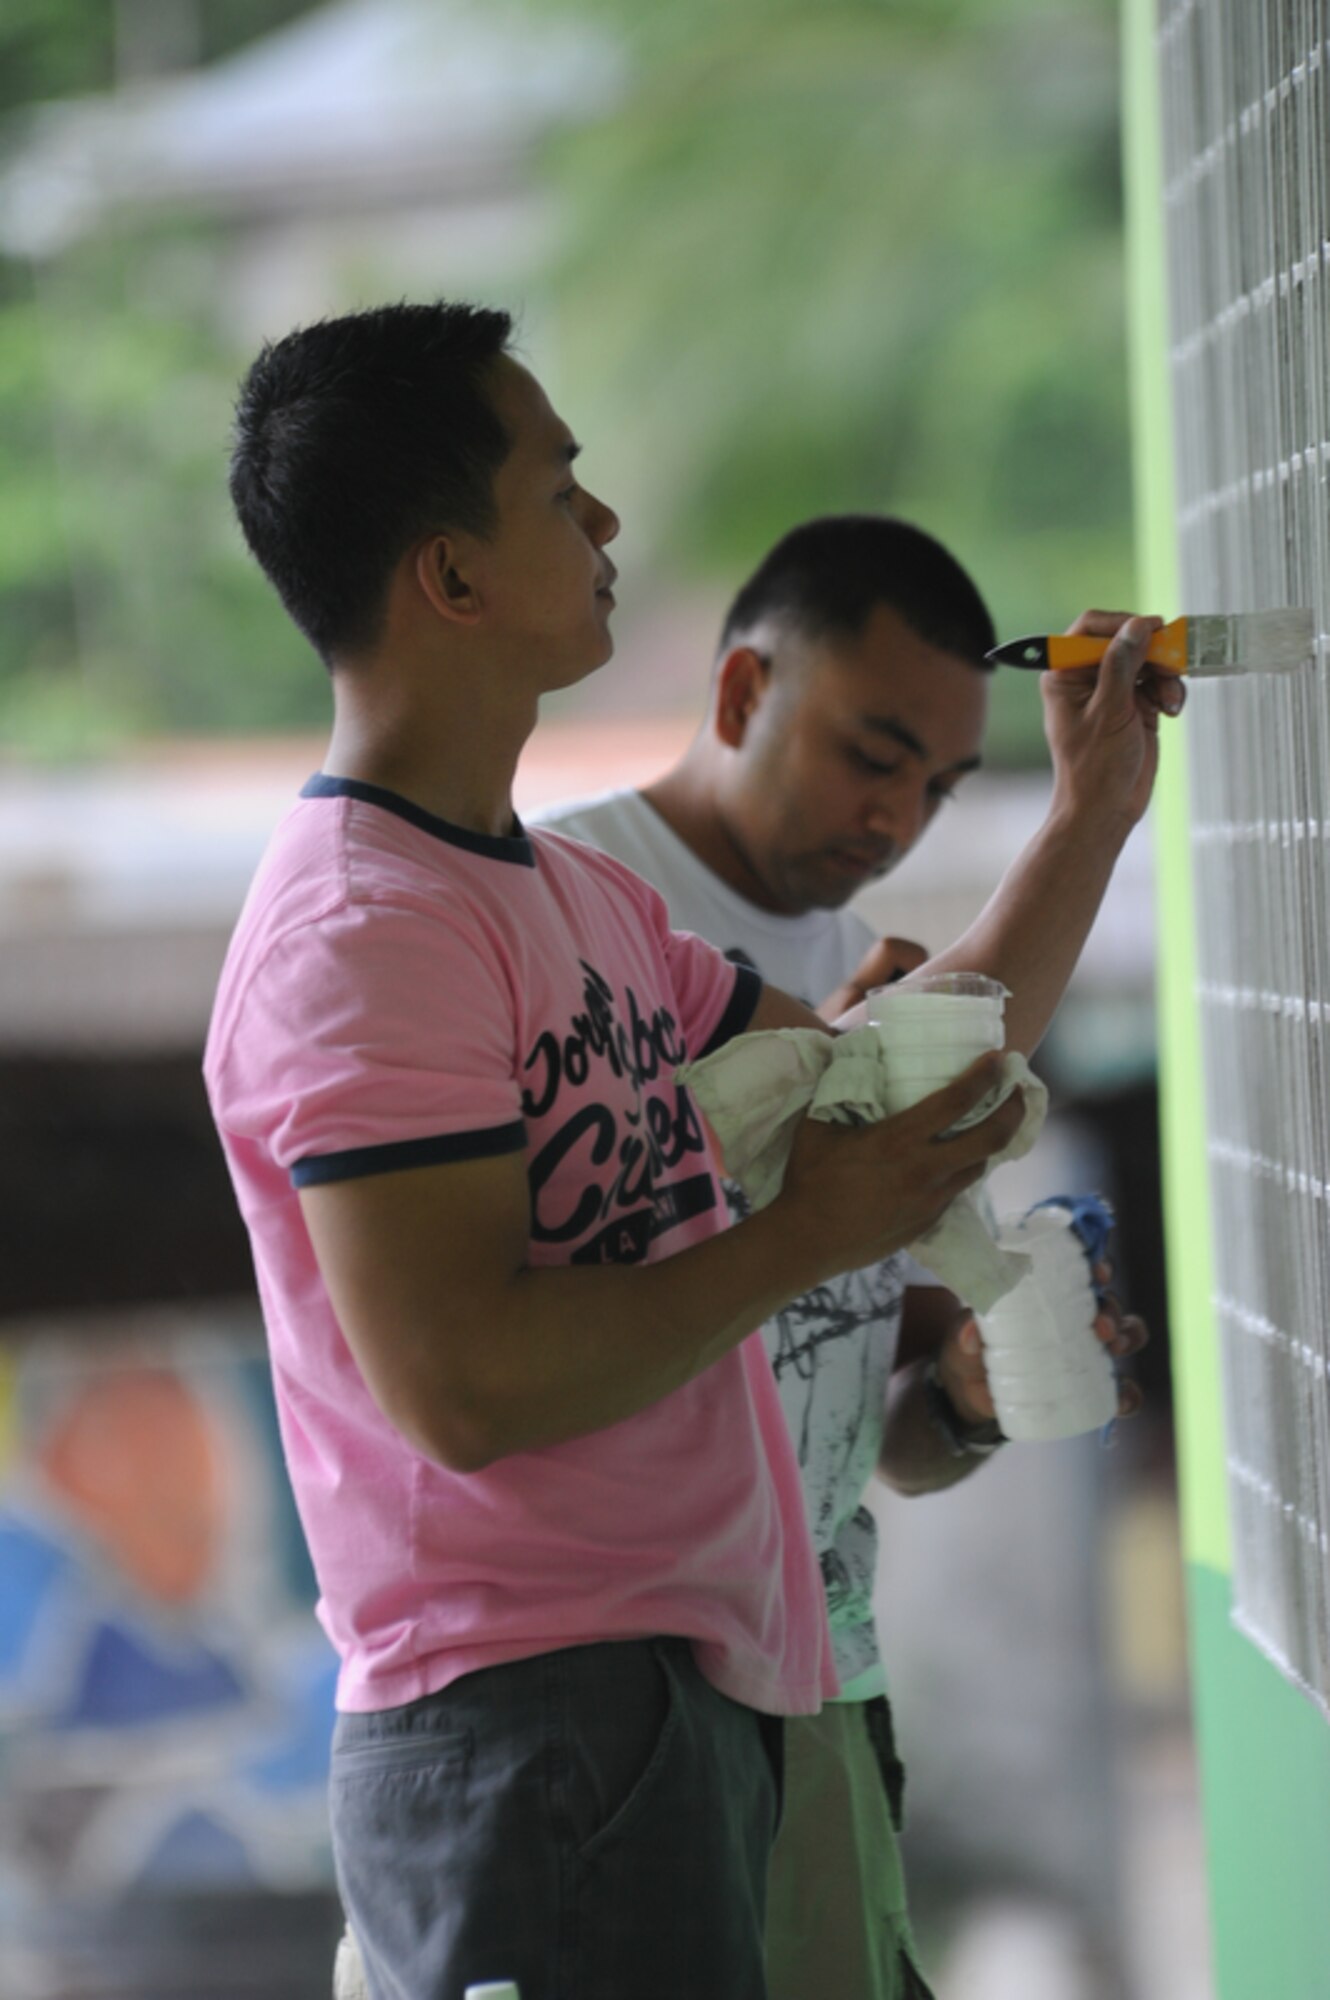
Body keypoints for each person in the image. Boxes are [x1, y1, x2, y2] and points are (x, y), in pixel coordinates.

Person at [205, 300, 1177, 2000]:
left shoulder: (571, 898)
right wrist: (807, 1234)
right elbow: (463, 1387)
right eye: (558, 486)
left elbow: (887, 1085)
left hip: (673, 1692)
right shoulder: (364, 932)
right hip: (523, 1719)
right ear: (451, 576)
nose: (603, 521)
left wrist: (1090, 811)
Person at [532, 514, 1167, 1999]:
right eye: (871, 756)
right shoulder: (572, 912)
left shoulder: (859, 961)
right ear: (743, 691)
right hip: (624, 1702)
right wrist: (1091, 815)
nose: (896, 818)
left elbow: (872, 1437)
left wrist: (968, 1391)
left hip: (824, 1685)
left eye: (938, 787)